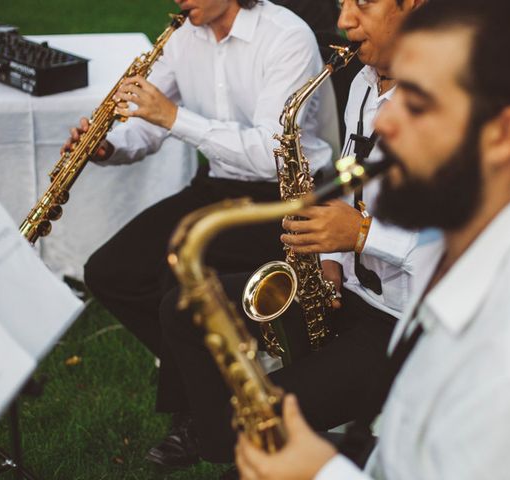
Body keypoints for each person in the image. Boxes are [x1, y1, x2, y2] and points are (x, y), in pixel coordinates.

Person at [234, 0, 510, 479]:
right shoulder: (468, 238)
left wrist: (321, 473)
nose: (383, 124)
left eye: (417, 102)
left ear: (505, 134)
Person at [155, 0, 433, 470]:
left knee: (264, 413)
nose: (343, 20)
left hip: (406, 326)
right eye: (343, 3)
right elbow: (355, 184)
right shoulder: (365, 83)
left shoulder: (455, 106)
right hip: (352, 291)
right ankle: (229, 452)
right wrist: (332, 259)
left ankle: (247, 449)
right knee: (181, 309)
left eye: (361, 5)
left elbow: (468, 253)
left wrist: (363, 236)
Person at [62, 0, 333, 462]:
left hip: (290, 196)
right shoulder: (184, 35)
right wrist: (111, 144)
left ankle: (196, 419)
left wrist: (173, 117)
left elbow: (273, 151)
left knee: (177, 284)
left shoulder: (286, 36)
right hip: (218, 185)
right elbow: (147, 128)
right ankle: (214, 378)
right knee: (108, 272)